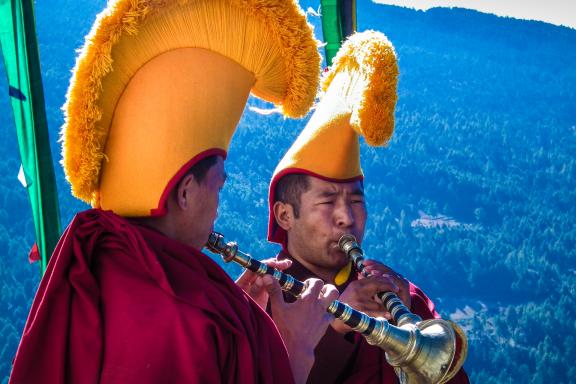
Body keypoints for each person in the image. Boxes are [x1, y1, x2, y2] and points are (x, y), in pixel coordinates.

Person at [9, 1, 339, 383]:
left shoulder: (97, 258)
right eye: (218, 186)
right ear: (184, 192)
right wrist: (294, 350)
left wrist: (236, 320)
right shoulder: (189, 320)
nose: (217, 210)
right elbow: (182, 333)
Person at [264, 31, 470, 383]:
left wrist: (410, 322)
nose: (347, 217)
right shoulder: (267, 299)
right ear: (285, 214)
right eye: (327, 201)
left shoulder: (397, 293)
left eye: (356, 200)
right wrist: (337, 325)